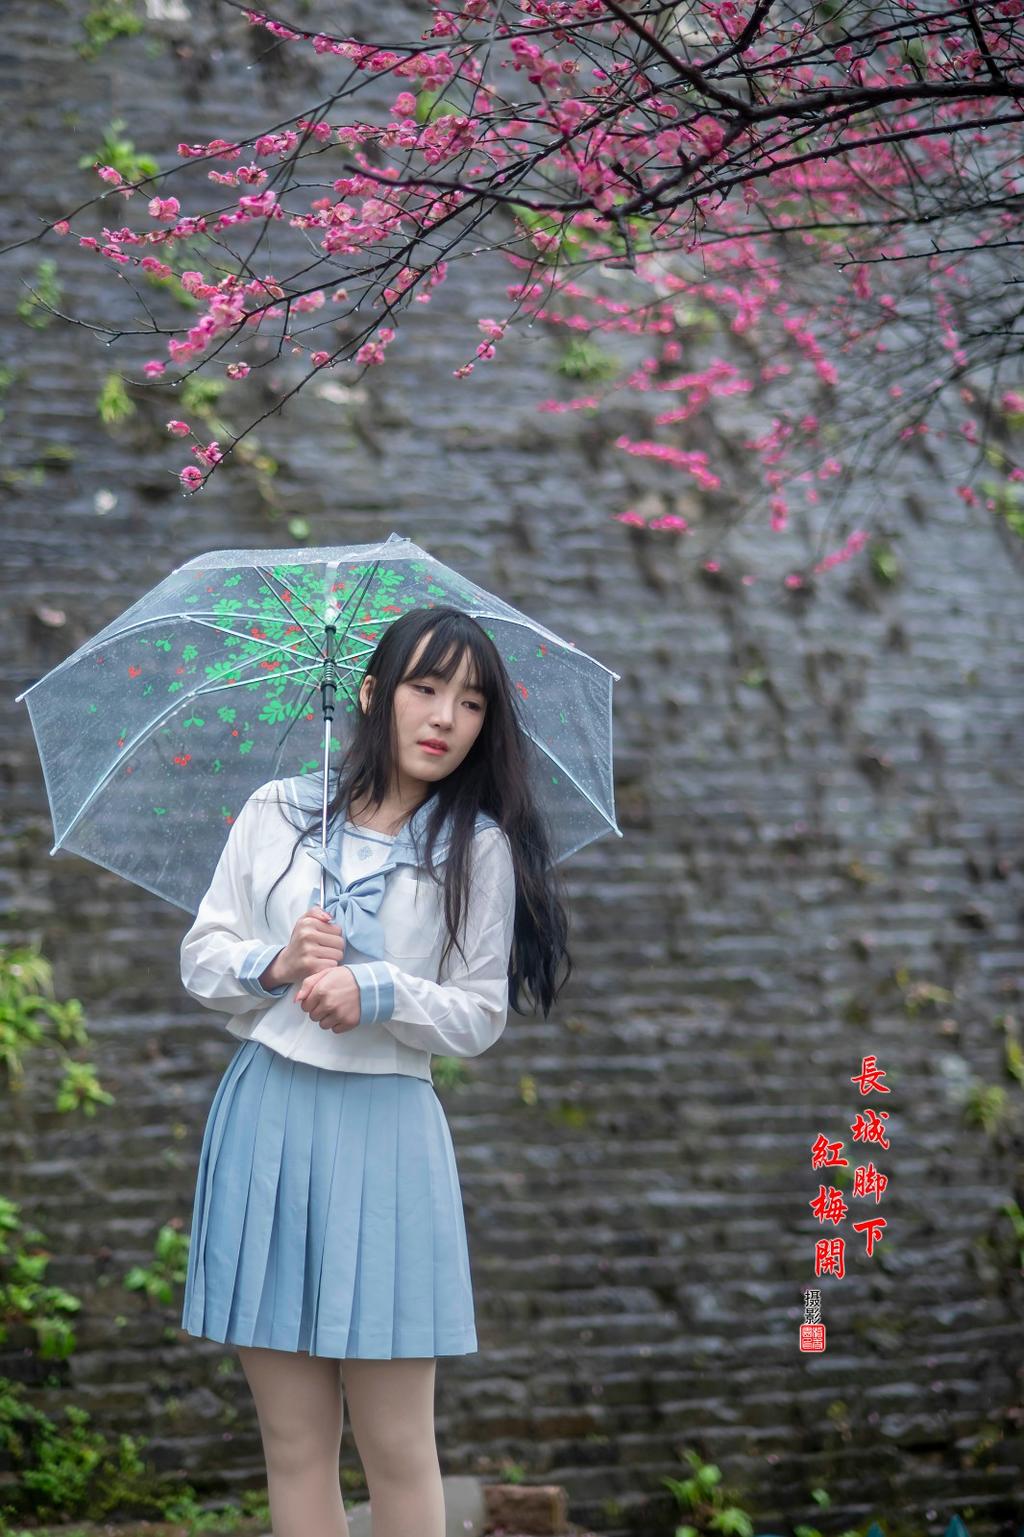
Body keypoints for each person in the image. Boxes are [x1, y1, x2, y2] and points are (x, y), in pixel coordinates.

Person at [177, 604, 572, 1537]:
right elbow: (202, 955)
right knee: (294, 1443)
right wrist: (276, 962)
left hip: (389, 1138)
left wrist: (380, 989)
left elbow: (478, 1014)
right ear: (371, 694)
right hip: (268, 1122)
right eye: (424, 688)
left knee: (397, 1446)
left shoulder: (475, 847)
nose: (445, 717)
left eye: (470, 702)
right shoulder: (279, 812)